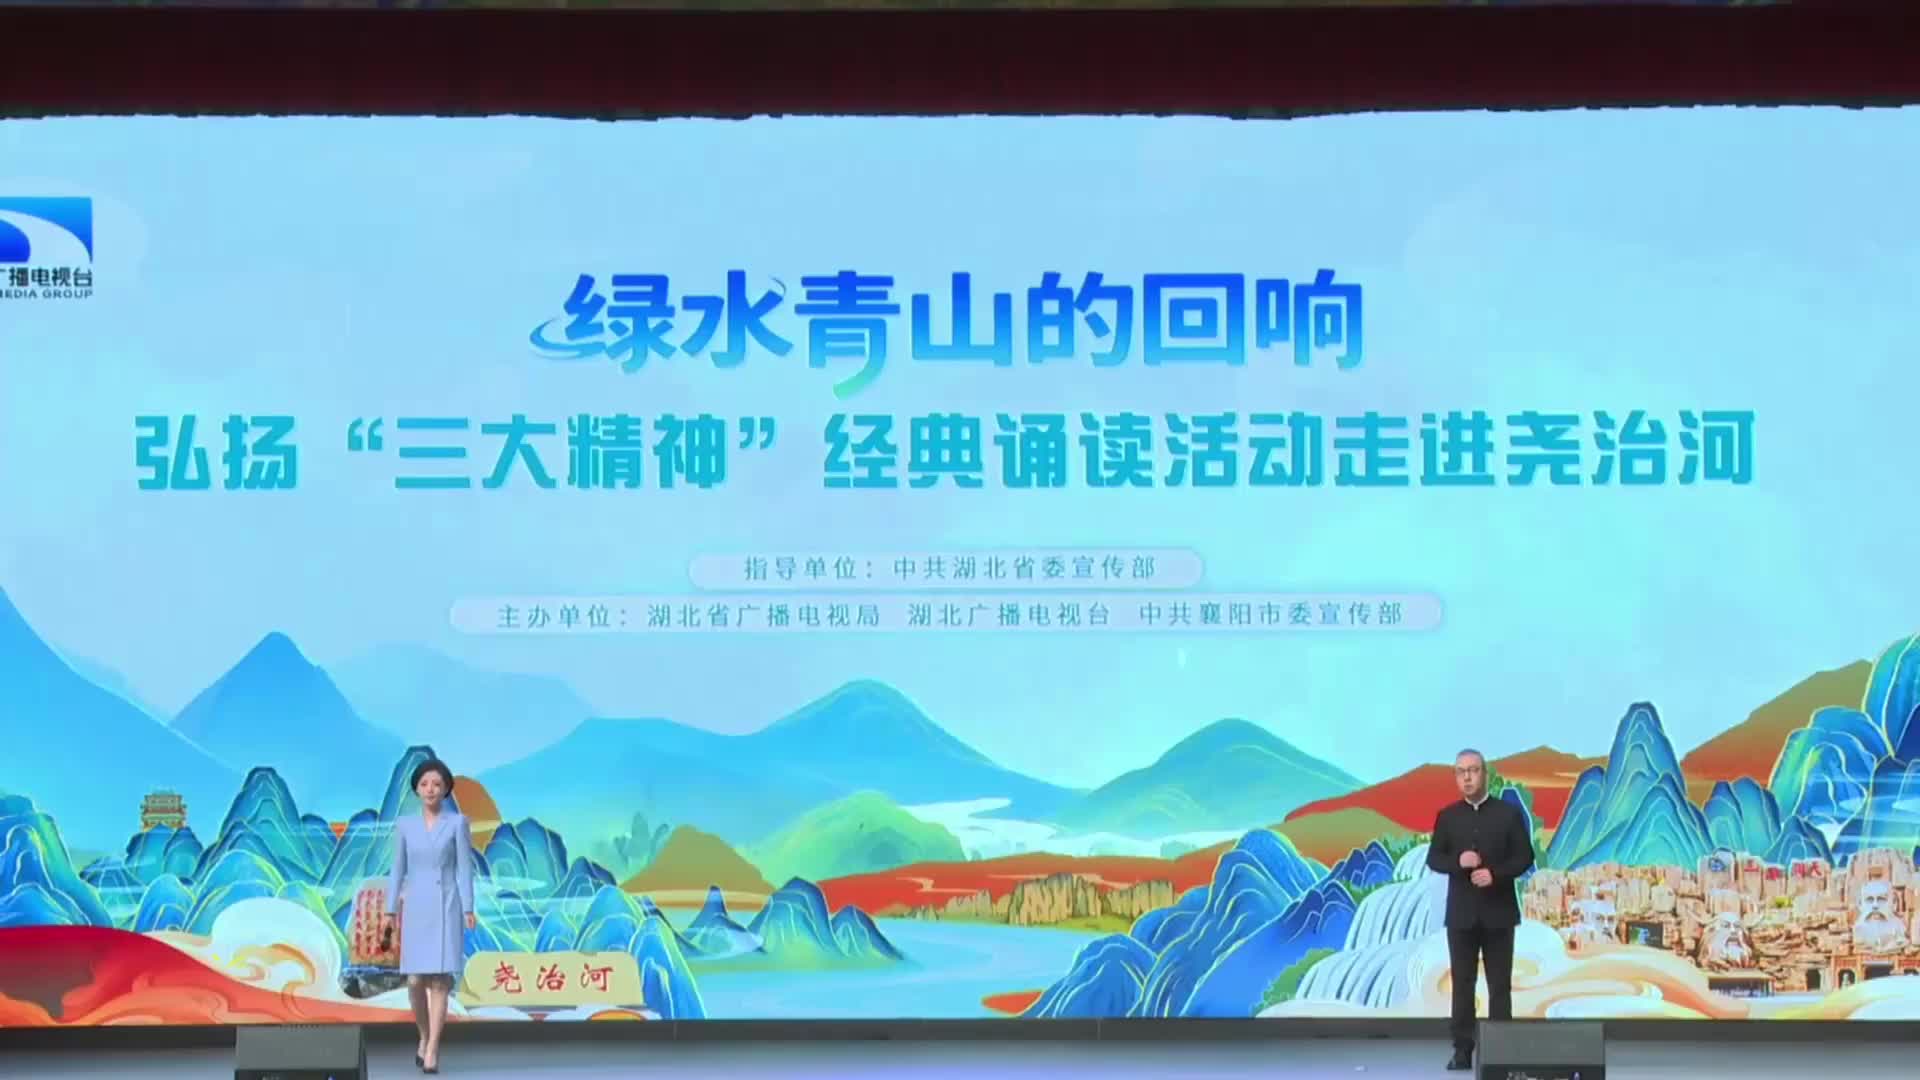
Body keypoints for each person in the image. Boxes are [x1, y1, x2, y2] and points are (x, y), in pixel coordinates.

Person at [1426, 749, 1534, 1071]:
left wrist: (1495, 874)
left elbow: (1524, 857)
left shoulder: (1508, 814)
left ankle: (1501, 1052)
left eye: (1473, 770)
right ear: (1456, 777)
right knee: (1462, 984)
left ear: (1485, 774)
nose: (1468, 777)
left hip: (1499, 914)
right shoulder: (1447, 816)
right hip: (1461, 917)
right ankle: (1462, 1050)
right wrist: (1457, 861)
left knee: (1499, 986)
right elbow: (1434, 859)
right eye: (1461, 772)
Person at [382, 758, 476, 1075]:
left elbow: (465, 869)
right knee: (414, 981)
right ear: (417, 789)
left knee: (439, 981)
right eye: (424, 784)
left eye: (436, 784)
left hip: (446, 905)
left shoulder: (457, 824)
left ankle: (433, 1047)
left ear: (446, 788)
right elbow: (398, 869)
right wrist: (390, 909)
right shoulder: (405, 826)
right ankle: (423, 1035)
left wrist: (468, 907)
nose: (430, 789)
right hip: (416, 907)